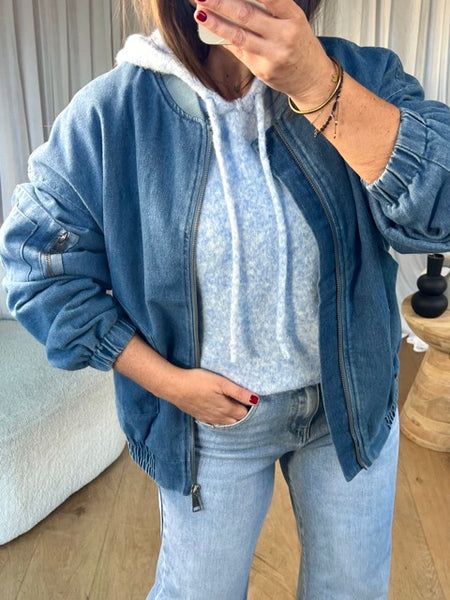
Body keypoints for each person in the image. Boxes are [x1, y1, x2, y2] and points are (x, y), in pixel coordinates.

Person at [0, 0, 449, 597]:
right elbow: (35, 266)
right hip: (207, 425)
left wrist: (318, 85)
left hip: (352, 400)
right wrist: (167, 383)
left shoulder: (366, 76)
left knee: (352, 589)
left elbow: (440, 211)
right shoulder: (113, 115)